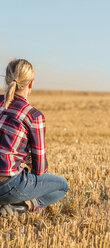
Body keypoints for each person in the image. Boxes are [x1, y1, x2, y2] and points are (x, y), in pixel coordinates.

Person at [0, 59, 69, 217]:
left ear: (6, 79)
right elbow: (39, 169)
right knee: (62, 186)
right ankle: (21, 207)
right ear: (31, 84)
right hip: (6, 186)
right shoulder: (33, 116)